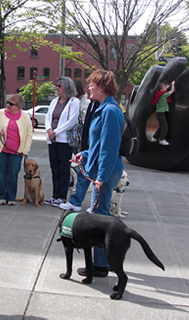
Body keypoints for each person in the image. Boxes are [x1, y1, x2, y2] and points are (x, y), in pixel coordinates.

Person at [71, 69, 124, 278]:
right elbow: (99, 144)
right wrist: (84, 154)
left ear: (102, 87)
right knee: (99, 215)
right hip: (104, 169)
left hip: (107, 171)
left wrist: (101, 177)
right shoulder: (105, 108)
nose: (88, 88)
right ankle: (102, 262)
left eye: (91, 84)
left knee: (99, 219)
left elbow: (109, 148)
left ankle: (101, 265)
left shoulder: (110, 110)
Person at [0, 94, 33, 206]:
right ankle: (1, 196)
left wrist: (25, 150)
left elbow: (28, 134)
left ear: (18, 106)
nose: (8, 105)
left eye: (11, 104)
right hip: (1, 149)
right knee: (0, 172)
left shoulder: (25, 117)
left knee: (13, 173)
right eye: (8, 102)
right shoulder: (0, 113)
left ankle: (11, 197)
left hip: (17, 151)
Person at [44, 77, 80, 207]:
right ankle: (55, 195)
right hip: (52, 139)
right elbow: (48, 117)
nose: (57, 88)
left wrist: (56, 131)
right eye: (57, 85)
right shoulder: (54, 101)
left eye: (60, 85)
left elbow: (71, 121)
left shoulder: (74, 102)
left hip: (64, 139)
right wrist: (49, 130)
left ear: (67, 87)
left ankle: (62, 196)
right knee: (54, 168)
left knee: (63, 168)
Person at [151, 81, 175, 146]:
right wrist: (173, 84)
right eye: (164, 87)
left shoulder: (159, 94)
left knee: (162, 125)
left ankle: (154, 137)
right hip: (161, 112)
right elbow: (172, 91)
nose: (165, 88)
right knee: (165, 126)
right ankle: (162, 139)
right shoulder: (164, 95)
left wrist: (166, 88)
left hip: (159, 112)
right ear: (161, 90)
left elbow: (164, 91)